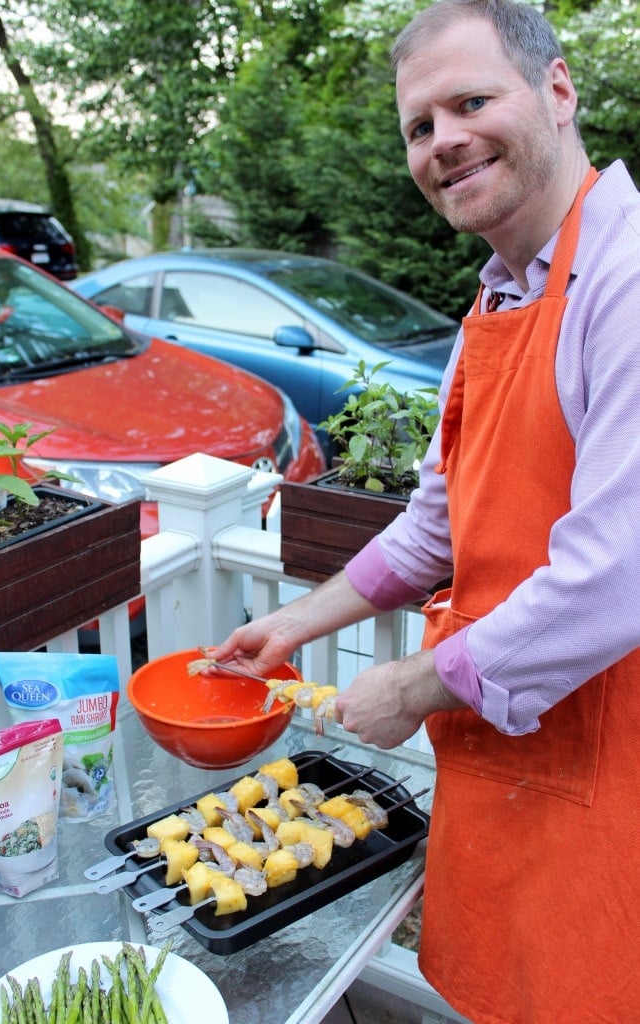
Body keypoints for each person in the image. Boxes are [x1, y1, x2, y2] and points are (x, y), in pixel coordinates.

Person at [211, 1, 640, 1021]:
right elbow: (435, 526)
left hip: (609, 759)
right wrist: (294, 623)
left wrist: (410, 683)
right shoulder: (495, 297)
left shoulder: (623, 282)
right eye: (417, 125)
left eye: (470, 100)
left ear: (557, 90)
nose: (441, 139)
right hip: (503, 753)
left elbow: (616, 572)